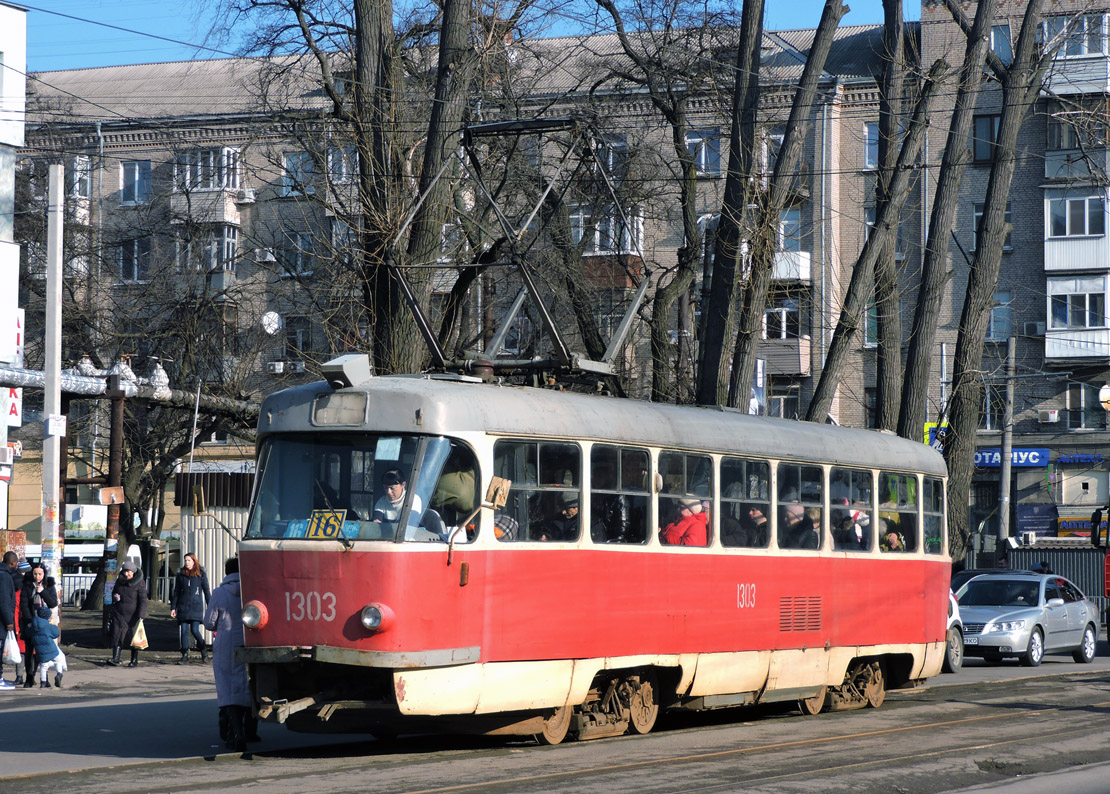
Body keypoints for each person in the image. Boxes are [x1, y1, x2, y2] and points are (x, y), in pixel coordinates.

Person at [204, 556, 258, 752]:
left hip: (225, 644)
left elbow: (209, 622)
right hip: (248, 641)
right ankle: (250, 731)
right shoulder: (250, 591)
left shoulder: (219, 593)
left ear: (226, 572)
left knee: (227, 688)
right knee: (248, 686)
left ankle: (235, 733)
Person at [19, 564, 58, 686]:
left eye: (40, 574)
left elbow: (52, 603)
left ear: (44, 574)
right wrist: (30, 621)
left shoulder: (49, 585)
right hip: (30, 622)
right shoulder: (27, 585)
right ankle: (29, 677)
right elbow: (24, 604)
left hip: (44, 623)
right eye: (35, 574)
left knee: (43, 650)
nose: (37, 577)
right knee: (29, 650)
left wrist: (42, 592)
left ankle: (44, 678)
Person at [171, 552, 211, 664]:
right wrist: (173, 607)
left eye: (189, 560)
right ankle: (184, 654)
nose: (187, 563)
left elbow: (206, 591)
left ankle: (203, 650)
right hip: (183, 606)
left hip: (196, 606)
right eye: (185, 560)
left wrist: (210, 605)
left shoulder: (200, 574)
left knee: (194, 630)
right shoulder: (181, 574)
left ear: (194, 561)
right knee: (183, 631)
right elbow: (177, 592)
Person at [108, 561, 147, 668]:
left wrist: (141, 615)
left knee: (133, 637)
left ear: (133, 572)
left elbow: (143, 600)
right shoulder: (119, 581)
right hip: (119, 612)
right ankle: (115, 658)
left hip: (134, 615)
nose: (126, 574)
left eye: (128, 572)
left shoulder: (140, 582)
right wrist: (115, 597)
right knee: (117, 634)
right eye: (125, 571)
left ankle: (134, 659)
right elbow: (114, 593)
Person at [29, 606, 64, 689]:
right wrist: (52, 625)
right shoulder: (48, 626)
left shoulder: (33, 625)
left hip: (39, 650)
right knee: (58, 660)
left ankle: (43, 682)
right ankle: (59, 674)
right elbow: (56, 634)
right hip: (50, 648)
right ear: (48, 616)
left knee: (43, 665)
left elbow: (28, 633)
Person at [0, 552, 16, 689]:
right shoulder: (4, 577)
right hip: (1, 623)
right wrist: (9, 621)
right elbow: (4, 601)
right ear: (12, 563)